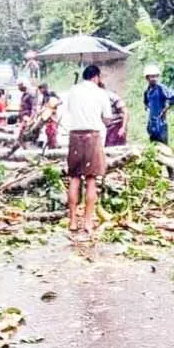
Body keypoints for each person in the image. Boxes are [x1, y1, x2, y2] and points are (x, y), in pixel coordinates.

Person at [66, 65, 113, 238]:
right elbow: (106, 118)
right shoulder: (101, 93)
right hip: (92, 136)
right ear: (96, 77)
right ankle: (87, 221)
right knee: (91, 179)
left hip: (75, 136)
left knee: (74, 178)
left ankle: (72, 220)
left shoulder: (73, 90)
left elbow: (69, 111)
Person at [143, 65, 174, 179]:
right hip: (152, 124)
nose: (154, 78)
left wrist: (166, 107)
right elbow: (146, 103)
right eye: (151, 77)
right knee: (154, 150)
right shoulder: (147, 91)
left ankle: (171, 174)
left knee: (165, 149)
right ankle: (157, 174)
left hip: (161, 124)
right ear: (147, 78)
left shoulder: (161, 88)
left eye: (155, 76)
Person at [99, 83, 129, 147]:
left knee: (114, 150)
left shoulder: (112, 96)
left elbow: (125, 112)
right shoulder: (95, 98)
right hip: (104, 129)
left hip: (115, 127)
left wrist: (123, 128)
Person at [37, 82, 60, 149]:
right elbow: (43, 105)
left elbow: (60, 101)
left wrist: (53, 105)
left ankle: (53, 145)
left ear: (44, 88)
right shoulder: (44, 96)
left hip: (53, 114)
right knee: (47, 130)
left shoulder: (52, 93)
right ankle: (49, 144)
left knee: (52, 130)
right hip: (46, 115)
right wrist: (40, 111)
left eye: (41, 89)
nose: (40, 91)